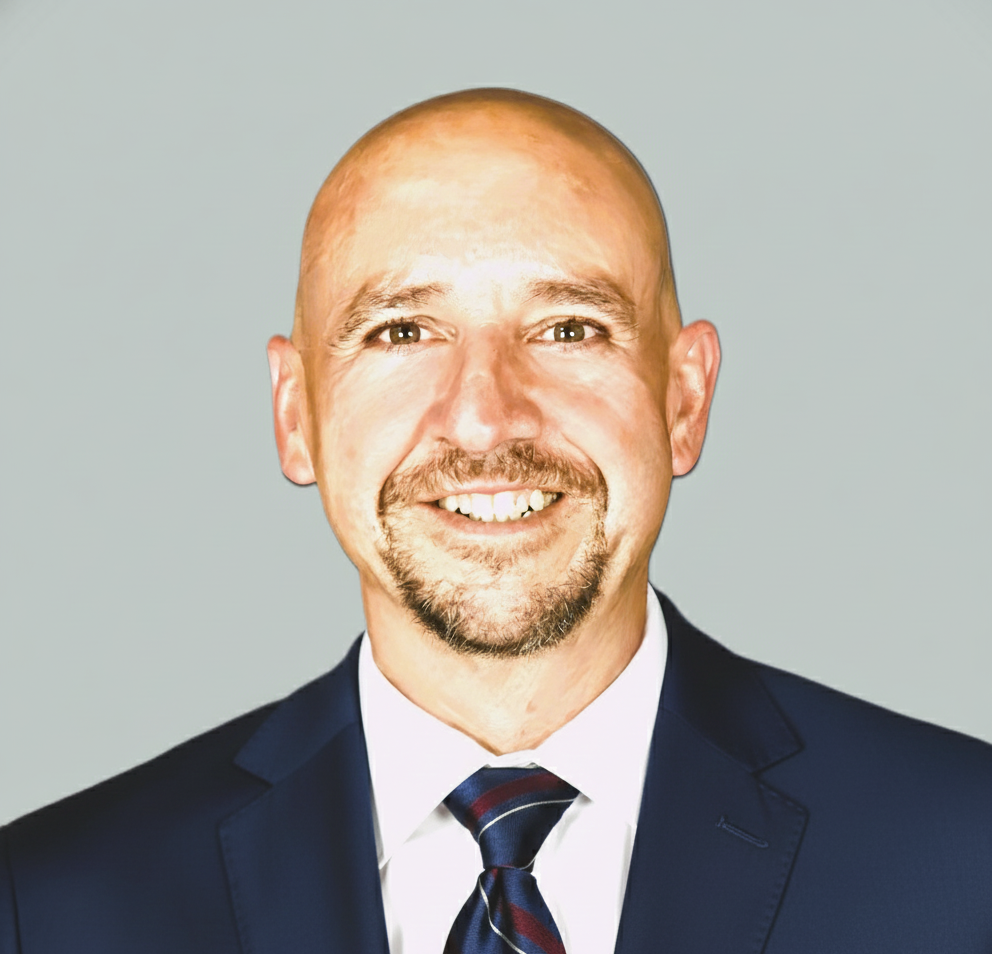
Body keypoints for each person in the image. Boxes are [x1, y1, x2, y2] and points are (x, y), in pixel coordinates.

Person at [1, 88, 990, 954]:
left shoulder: (964, 859)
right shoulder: (52, 906)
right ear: (294, 413)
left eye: (568, 328)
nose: (482, 415)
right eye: (400, 331)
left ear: (682, 399)